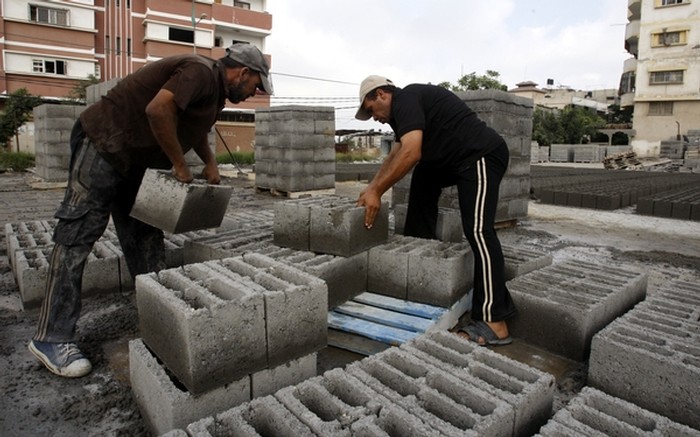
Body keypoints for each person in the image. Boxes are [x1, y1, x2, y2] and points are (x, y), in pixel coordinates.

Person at [28, 43, 273, 378]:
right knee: (78, 233)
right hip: (104, 143)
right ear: (242, 73)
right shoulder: (199, 71)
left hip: (135, 159)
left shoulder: (215, 92)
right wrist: (178, 164)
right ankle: (51, 337)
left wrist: (211, 163)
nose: (253, 93)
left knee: (145, 233)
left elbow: (195, 128)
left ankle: (159, 318)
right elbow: (158, 110)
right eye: (255, 85)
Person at [355, 75, 516, 346]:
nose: (374, 118)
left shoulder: (406, 98)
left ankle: (494, 320)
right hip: (453, 162)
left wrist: (377, 192)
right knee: (423, 182)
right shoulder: (401, 114)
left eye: (371, 110)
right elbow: (396, 154)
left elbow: (412, 152)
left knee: (478, 230)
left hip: (480, 155)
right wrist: (371, 188)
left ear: (381, 94)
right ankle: (421, 261)